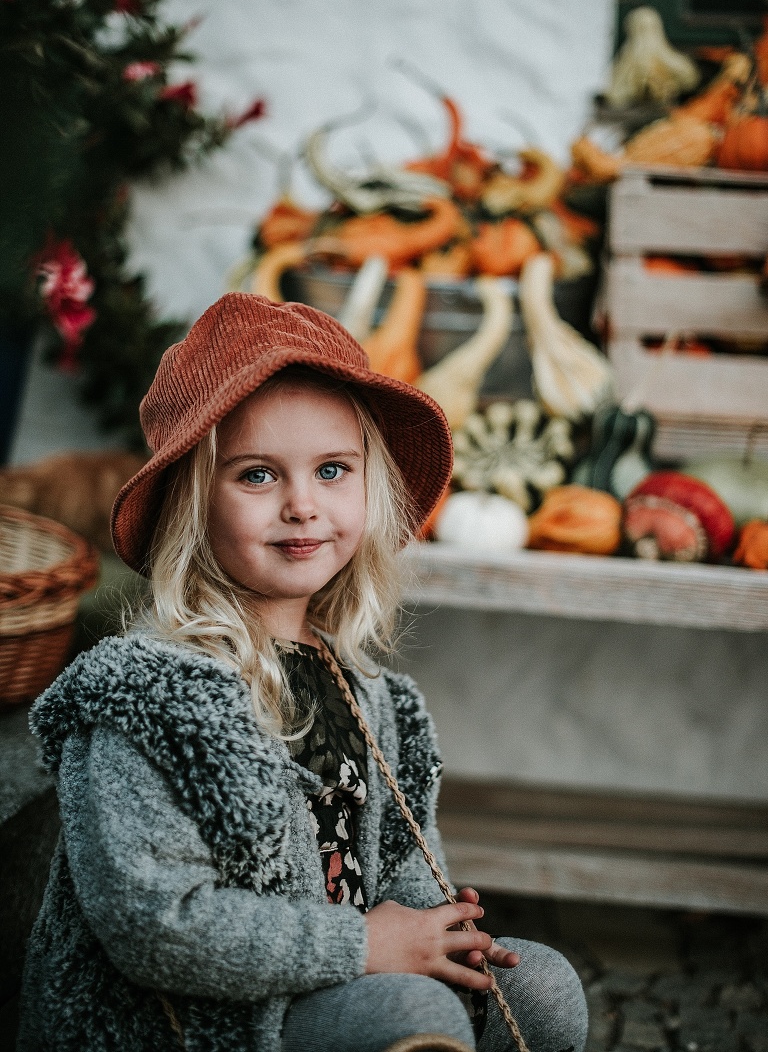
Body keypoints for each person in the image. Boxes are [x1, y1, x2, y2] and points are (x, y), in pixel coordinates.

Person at [18, 294, 588, 1052]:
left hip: (333, 983)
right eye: (258, 476)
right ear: (194, 504)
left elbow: (404, 870)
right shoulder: (145, 700)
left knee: (542, 987)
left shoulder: (377, 700)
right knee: (411, 1020)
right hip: (202, 1022)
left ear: (367, 486)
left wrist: (434, 929)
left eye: (330, 470)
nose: (302, 506)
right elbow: (157, 925)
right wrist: (364, 946)